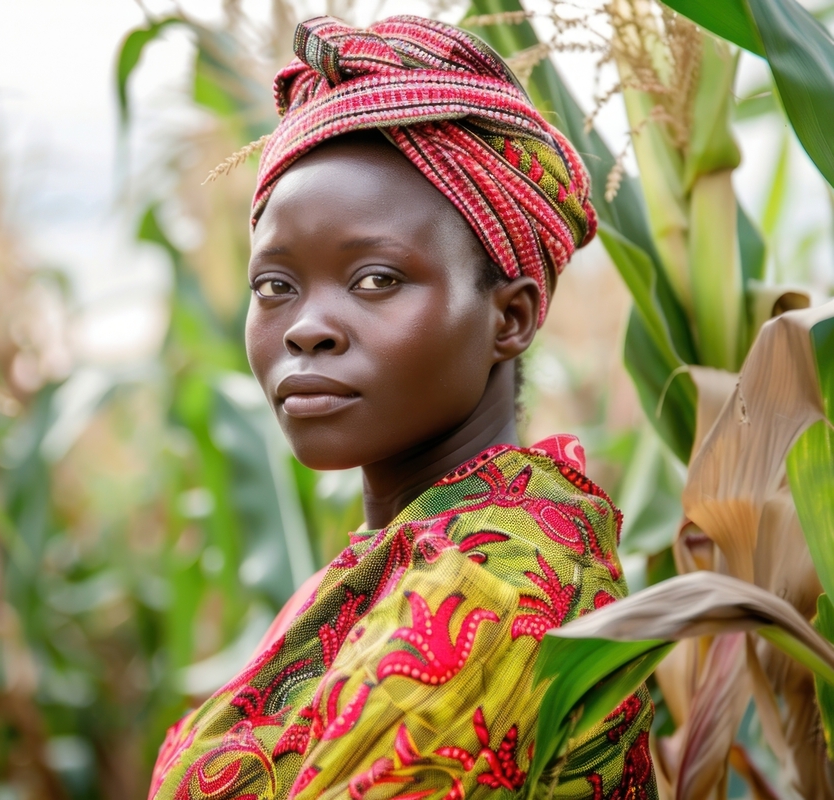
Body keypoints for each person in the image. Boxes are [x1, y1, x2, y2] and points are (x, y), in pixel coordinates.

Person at [149, 15, 655, 800]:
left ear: (510, 318)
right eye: (275, 287)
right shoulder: (406, 555)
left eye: (376, 280)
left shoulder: (485, 590)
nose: (307, 328)